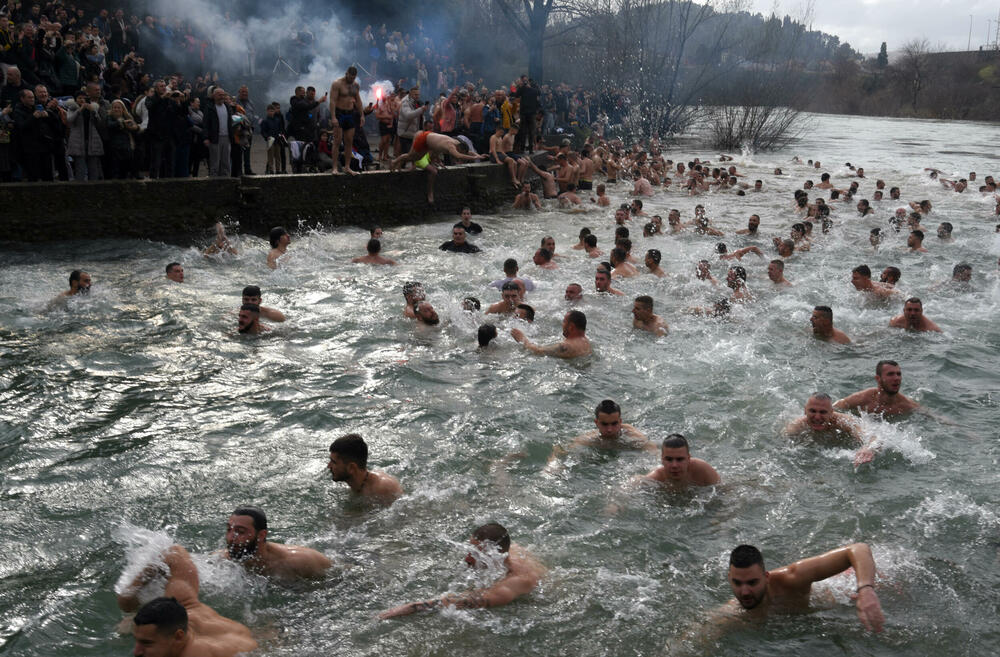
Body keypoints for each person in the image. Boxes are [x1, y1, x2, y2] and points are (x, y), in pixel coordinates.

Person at [379, 522, 543, 618]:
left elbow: (456, 601)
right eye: (470, 551)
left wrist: (408, 607)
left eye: (477, 554)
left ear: (495, 555)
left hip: (536, 605)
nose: (468, 559)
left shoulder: (511, 585)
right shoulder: (510, 549)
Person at [120, 549, 257, 657]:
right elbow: (175, 554)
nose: (136, 652)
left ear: (178, 637)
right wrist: (127, 597)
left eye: (147, 643)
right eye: (137, 640)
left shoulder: (198, 653)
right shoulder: (186, 606)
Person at [718, 543, 884, 632]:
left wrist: (866, 589)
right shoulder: (732, 613)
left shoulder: (792, 577)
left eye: (752, 583)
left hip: (846, 589)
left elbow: (858, 549)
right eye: (737, 583)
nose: (745, 591)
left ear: (766, 577)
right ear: (729, 579)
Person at [221, 506, 331, 578]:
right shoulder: (222, 561)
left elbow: (339, 576)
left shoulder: (300, 561)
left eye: (240, 532)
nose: (231, 537)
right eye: (229, 529)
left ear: (261, 535)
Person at [390, 130, 488, 203]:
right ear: (459, 148)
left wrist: (477, 155)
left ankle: (397, 162)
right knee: (412, 157)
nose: (460, 154)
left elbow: (467, 152)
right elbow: (458, 155)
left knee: (415, 158)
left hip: (430, 140)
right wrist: (474, 158)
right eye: (460, 151)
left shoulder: (458, 143)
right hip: (424, 139)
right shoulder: (451, 146)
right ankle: (395, 161)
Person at [785, 393, 876, 464]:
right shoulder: (796, 427)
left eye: (823, 412)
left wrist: (867, 448)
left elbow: (872, 436)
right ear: (805, 410)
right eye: (812, 411)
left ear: (831, 412)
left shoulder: (844, 421)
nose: (817, 417)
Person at [550, 399, 654, 458]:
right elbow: (560, 449)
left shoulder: (631, 434)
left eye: (614, 424)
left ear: (620, 422)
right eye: (604, 424)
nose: (609, 429)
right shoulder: (590, 438)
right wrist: (553, 466)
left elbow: (652, 450)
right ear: (596, 423)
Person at [327, 434, 403, 504]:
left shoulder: (384, 488)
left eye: (333, 462)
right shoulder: (352, 487)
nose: (328, 466)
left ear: (351, 468)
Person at [835, 360, 920, 416]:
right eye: (890, 374)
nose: (896, 378)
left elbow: (930, 417)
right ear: (878, 379)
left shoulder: (906, 405)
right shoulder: (862, 399)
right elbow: (833, 410)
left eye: (898, 374)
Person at [640, 434, 720, 487]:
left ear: (689, 459)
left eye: (680, 459)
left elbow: (725, 491)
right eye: (669, 459)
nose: (674, 465)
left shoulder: (702, 470)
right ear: (662, 460)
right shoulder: (656, 478)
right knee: (651, 450)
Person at [511, 310, 591, 359]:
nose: (562, 324)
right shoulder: (585, 341)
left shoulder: (566, 346)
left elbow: (538, 352)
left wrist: (522, 339)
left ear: (571, 327)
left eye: (564, 321)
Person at [328, 67, 361, 175]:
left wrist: (362, 115)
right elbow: (332, 100)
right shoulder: (337, 84)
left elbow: (358, 100)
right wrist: (333, 117)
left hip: (350, 113)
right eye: (350, 77)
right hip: (339, 113)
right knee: (337, 141)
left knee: (349, 141)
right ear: (346, 74)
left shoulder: (355, 85)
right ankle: (335, 167)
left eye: (354, 77)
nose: (352, 79)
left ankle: (347, 167)